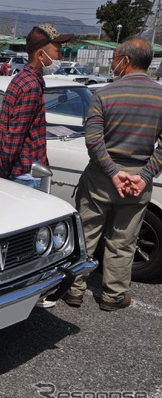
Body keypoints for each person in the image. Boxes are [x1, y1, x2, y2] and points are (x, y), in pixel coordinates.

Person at [63, 38, 162, 312]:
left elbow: (94, 141)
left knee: (87, 233)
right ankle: (113, 295)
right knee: (124, 240)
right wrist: (144, 175)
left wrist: (113, 173)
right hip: (139, 179)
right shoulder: (160, 96)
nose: (112, 63)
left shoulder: (104, 95)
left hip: (102, 176)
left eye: (115, 58)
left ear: (126, 61)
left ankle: (74, 290)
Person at [0, 23, 72, 309]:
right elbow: (14, 135)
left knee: (24, 239)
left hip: (25, 169)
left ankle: (21, 293)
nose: (60, 54)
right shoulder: (28, 85)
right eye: (57, 49)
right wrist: (1, 172)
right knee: (25, 241)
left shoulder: (29, 81)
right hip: (24, 173)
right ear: (41, 53)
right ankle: (22, 295)